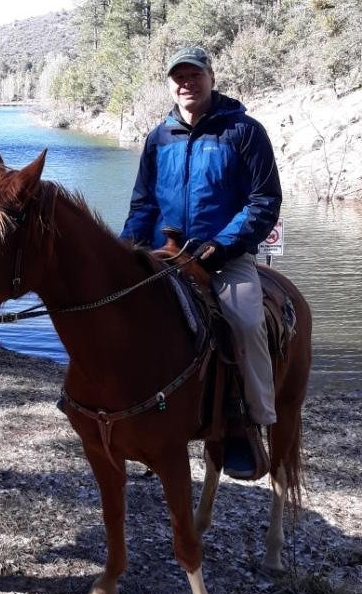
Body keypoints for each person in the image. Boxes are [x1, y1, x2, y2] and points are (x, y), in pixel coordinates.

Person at [120, 46, 282, 478]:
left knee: (244, 322)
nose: (186, 83)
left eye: (195, 75)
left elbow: (264, 201)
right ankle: (130, 415)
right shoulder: (158, 138)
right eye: (179, 76)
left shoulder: (244, 132)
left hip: (224, 257)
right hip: (163, 254)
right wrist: (124, 250)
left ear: (212, 77)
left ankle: (249, 422)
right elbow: (143, 204)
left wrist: (221, 245)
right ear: (169, 84)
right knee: (116, 313)